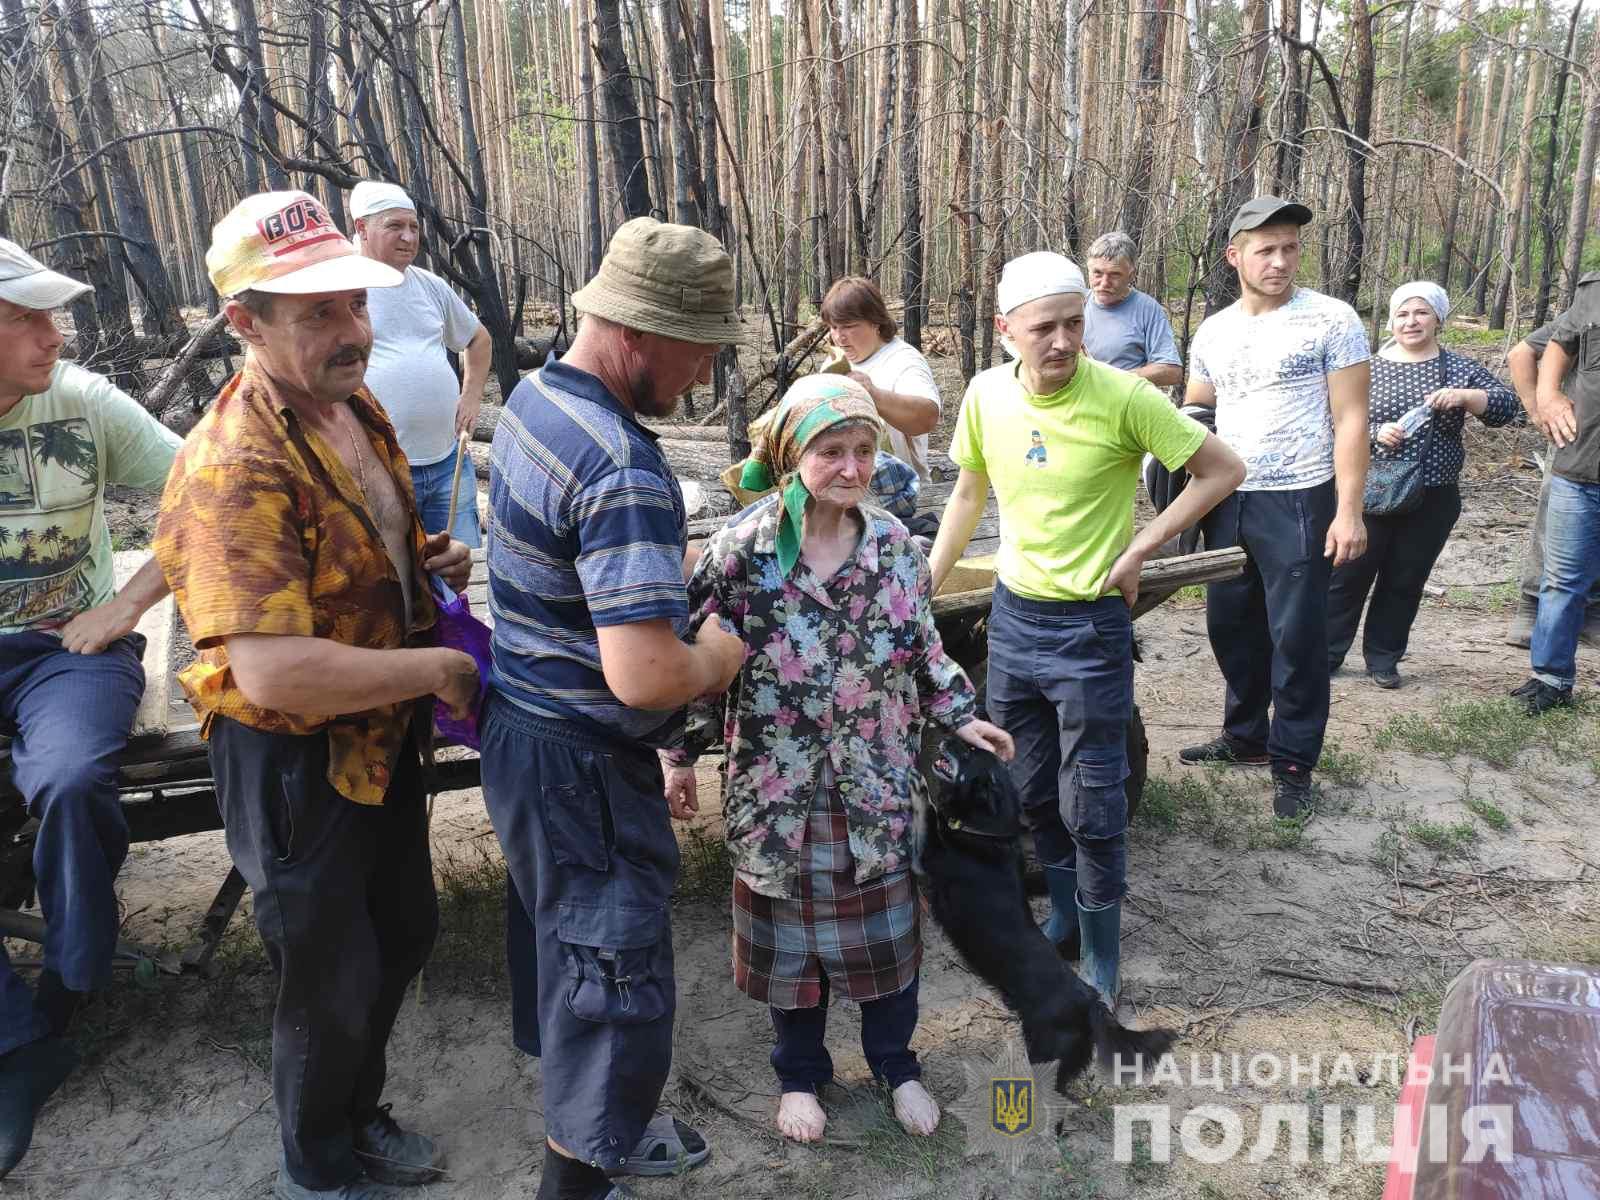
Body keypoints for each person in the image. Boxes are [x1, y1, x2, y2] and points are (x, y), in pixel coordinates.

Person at [154, 191, 480, 1200]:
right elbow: (272, 669)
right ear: (244, 324)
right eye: (319, 314)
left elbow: (356, 544)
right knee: (327, 972)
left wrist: (423, 562)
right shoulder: (232, 464)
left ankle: (353, 1114)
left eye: (355, 306)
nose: (352, 333)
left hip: (374, 737)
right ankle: (319, 1168)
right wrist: (435, 668)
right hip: (292, 755)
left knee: (403, 931)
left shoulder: (347, 402)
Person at [664, 374, 1013, 1145]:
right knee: (790, 950)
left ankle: (896, 1064)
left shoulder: (892, 547)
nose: (851, 468)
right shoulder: (743, 550)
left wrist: (962, 717)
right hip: (776, 789)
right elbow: (691, 656)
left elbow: (923, 649)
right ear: (793, 456)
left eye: (863, 451)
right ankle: (799, 1075)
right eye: (832, 452)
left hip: (874, 781)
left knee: (886, 941)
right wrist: (677, 753)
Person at [480, 216, 746, 1200]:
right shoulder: (625, 465)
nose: (705, 373)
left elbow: (565, 568)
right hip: (584, 764)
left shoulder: (534, 401)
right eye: (699, 350)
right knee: (613, 988)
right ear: (637, 333)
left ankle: (594, 1122)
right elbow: (643, 676)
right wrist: (716, 652)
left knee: (567, 952)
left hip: (523, 728)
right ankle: (583, 1172)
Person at [927, 252, 1244, 1008]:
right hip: (1013, 620)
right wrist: (926, 585)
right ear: (1008, 332)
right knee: (1031, 792)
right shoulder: (984, 396)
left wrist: (1141, 546)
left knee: (1093, 801)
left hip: (1089, 629)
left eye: (1076, 323)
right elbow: (970, 490)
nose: (1065, 341)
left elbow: (1221, 469)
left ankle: (1103, 958)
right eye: (1046, 327)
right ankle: (1064, 920)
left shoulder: (1123, 398)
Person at [0, 238, 183, 1178]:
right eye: (26, 316)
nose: (55, 332)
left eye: (54, 312)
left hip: (65, 650)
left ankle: (74, 977)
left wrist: (126, 605)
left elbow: (209, 494)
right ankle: (17, 1040)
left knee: (71, 778)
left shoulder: (83, 400)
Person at [1179, 196, 1371, 818]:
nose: (1281, 261)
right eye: (1266, 249)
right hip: (1228, 497)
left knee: (1297, 637)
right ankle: (1245, 736)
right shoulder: (1215, 330)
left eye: (1290, 247)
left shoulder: (1331, 319)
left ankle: (1293, 763)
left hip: (1301, 496)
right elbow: (1198, 408)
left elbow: (1351, 417)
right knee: (1230, 626)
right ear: (1235, 256)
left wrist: (1349, 510)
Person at [1327, 282, 1517, 689]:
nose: (1411, 321)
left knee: (1405, 579)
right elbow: (1332, 418)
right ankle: (1325, 653)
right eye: (1402, 314)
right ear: (1391, 320)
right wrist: (1375, 432)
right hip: (1369, 490)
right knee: (1347, 576)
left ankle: (1383, 658)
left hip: (1433, 495)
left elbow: (1509, 407)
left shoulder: (1458, 369)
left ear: (1438, 319)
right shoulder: (1366, 366)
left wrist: (1467, 397)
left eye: (1421, 313)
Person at [350, 180, 490, 548]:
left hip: (448, 465)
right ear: (361, 228)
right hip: (380, 473)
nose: (408, 237)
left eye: (413, 227)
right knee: (396, 584)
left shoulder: (430, 286)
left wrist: (471, 395)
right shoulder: (344, 293)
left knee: (461, 571)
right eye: (394, 226)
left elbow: (478, 339)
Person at [1510, 274, 1600, 713]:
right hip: (1581, 469)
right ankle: (1550, 678)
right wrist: (1545, 398)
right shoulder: (1595, 290)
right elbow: (1554, 346)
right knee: (1562, 580)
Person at [820, 276, 941, 482]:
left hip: (899, 492)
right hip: (846, 484)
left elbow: (927, 417)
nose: (839, 337)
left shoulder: (903, 360)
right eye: (834, 327)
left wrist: (874, 395)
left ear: (875, 323)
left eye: (849, 326)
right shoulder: (834, 362)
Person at [1082, 231, 1183, 389]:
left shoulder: (1147, 309)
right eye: (1097, 273)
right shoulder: (1077, 304)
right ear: (1088, 271)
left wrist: (1110, 379)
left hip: (1123, 403)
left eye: (1114, 275)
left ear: (1131, 275)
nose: (1104, 283)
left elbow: (1171, 370)